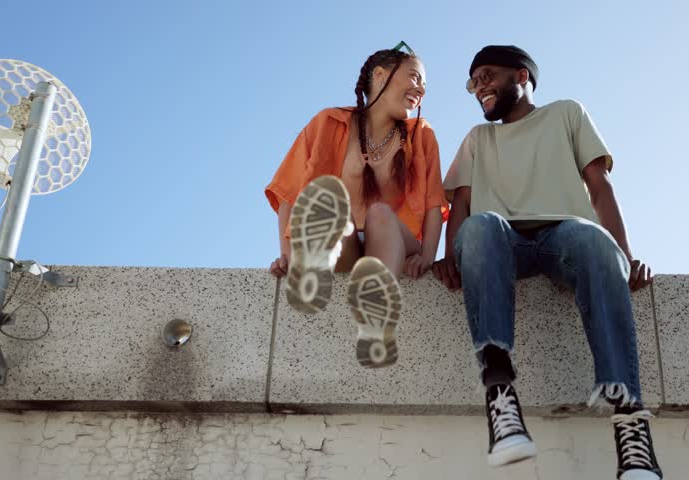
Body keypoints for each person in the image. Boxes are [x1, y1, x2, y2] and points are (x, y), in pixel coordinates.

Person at [433, 45, 662, 479]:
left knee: (593, 240)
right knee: (481, 225)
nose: (478, 86)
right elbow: (459, 208)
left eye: (487, 75)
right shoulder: (477, 140)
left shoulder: (566, 113)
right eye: (473, 81)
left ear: (521, 76)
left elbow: (600, 188)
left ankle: (631, 422)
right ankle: (500, 396)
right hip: (501, 242)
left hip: (564, 236)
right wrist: (449, 257)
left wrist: (624, 257)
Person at [267, 43, 446, 368]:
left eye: (424, 85)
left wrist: (427, 256)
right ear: (380, 75)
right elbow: (289, 194)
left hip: (393, 242)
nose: (420, 89)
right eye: (415, 77)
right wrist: (288, 255)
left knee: (380, 214)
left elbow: (435, 203)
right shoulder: (329, 123)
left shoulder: (421, 135)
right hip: (342, 245)